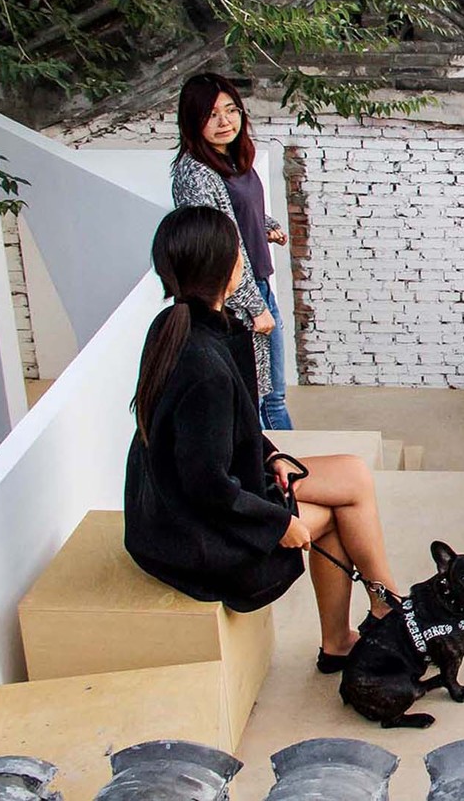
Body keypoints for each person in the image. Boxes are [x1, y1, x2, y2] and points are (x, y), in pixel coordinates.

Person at [125, 206, 399, 673]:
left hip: (180, 511)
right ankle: (365, 626)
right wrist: (278, 524)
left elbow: (222, 434)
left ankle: (381, 610)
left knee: (352, 472)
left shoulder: (181, 327)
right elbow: (205, 485)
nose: (243, 256)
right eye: (237, 249)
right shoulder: (202, 364)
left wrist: (271, 456)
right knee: (335, 514)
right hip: (194, 539)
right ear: (223, 266)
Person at [170, 72, 294, 430]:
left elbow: (239, 210)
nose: (224, 121)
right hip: (238, 301)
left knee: (272, 394)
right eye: (211, 115)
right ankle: (286, 478)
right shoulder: (196, 174)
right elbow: (218, 248)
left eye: (231, 110)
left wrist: (266, 225)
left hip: (259, 286)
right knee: (260, 400)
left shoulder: (232, 159)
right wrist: (255, 308)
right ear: (192, 121)